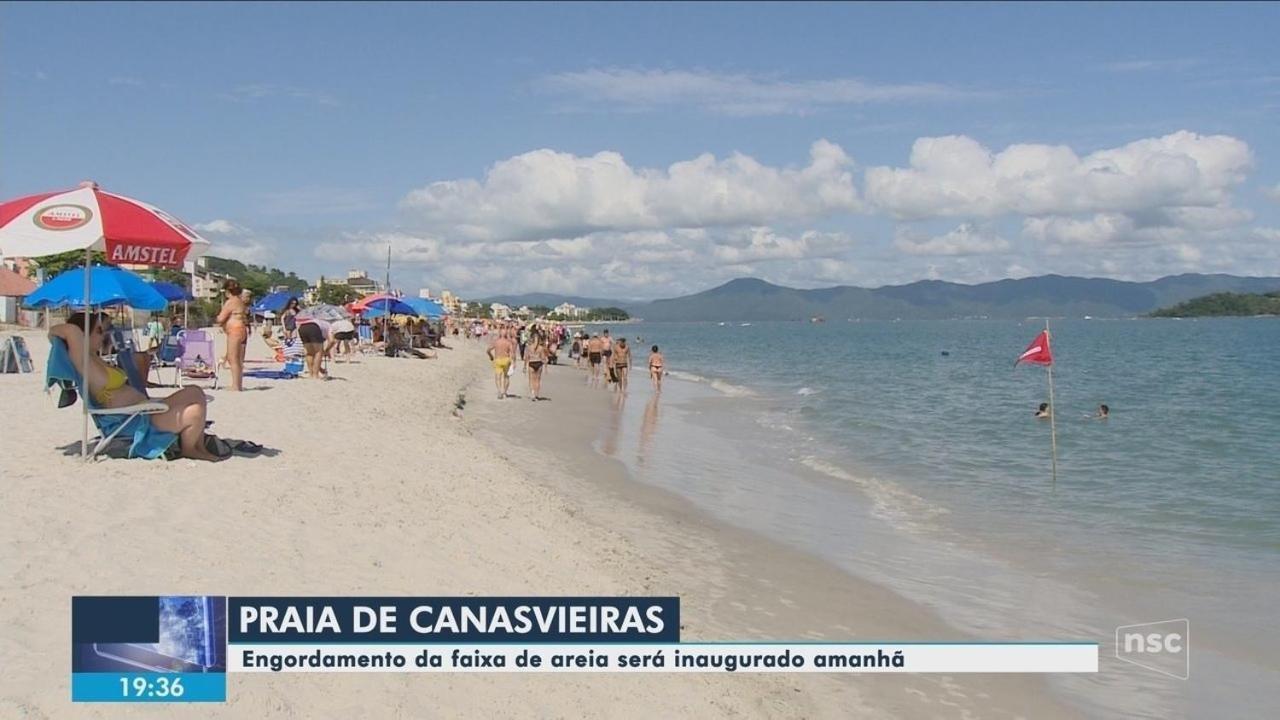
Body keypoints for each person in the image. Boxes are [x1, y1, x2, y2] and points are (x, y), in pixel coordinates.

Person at [50, 312, 221, 461]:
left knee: (195, 392)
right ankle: (190, 450)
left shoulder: (93, 358)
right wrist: (76, 332)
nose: (103, 335)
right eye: (99, 330)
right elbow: (66, 330)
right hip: (132, 421)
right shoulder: (84, 362)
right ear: (83, 334)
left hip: (141, 411)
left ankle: (199, 448)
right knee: (194, 411)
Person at [215, 279, 249, 391]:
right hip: (242, 329)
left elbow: (221, 318)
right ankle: (238, 384)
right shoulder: (240, 301)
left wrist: (218, 319)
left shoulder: (231, 302)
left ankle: (235, 385)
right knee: (239, 359)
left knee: (232, 358)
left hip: (234, 330)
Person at [488, 327, 516, 399]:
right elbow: (512, 353)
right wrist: (514, 362)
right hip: (506, 359)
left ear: (500, 334)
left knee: (498, 377)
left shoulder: (496, 342)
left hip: (498, 359)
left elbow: (488, 350)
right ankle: (505, 392)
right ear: (506, 334)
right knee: (506, 377)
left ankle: (499, 391)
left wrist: (491, 356)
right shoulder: (508, 342)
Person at [526, 330, 549, 401]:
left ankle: (532, 393)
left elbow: (526, 357)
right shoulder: (541, 348)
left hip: (531, 363)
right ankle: (536, 395)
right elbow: (543, 358)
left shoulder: (529, 347)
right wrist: (546, 367)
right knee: (537, 380)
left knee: (531, 380)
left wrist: (524, 366)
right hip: (539, 363)